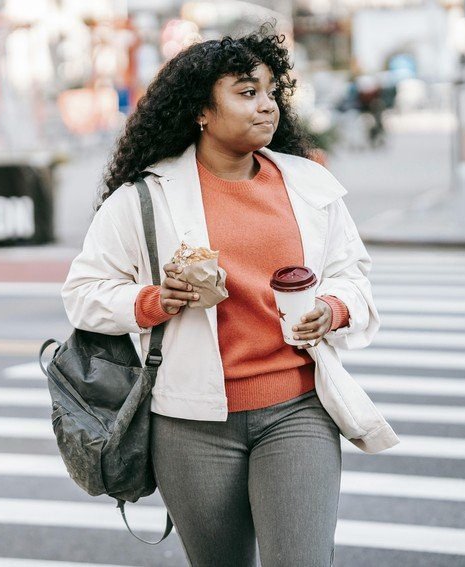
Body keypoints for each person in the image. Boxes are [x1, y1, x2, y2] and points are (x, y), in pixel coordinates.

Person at [62, 26, 397, 566]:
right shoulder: (144, 198)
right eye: (246, 93)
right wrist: (154, 300)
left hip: (298, 408)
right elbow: (82, 294)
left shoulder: (309, 185)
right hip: (190, 424)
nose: (267, 107)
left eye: (270, 92)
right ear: (201, 111)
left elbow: (351, 273)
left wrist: (331, 309)